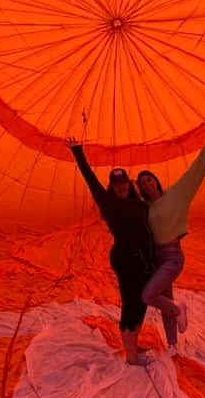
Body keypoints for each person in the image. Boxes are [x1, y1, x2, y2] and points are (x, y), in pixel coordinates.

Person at [66, 137, 154, 366]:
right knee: (130, 302)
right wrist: (77, 151)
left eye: (124, 183)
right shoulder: (108, 202)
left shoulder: (138, 202)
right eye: (117, 185)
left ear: (128, 183)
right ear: (112, 187)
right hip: (126, 260)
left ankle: (134, 342)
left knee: (143, 300)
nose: (121, 187)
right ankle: (131, 355)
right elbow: (89, 177)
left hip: (145, 260)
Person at [137, 137, 205, 355]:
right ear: (141, 189)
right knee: (165, 299)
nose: (147, 184)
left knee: (148, 296)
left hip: (172, 257)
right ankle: (172, 345)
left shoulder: (175, 194)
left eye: (149, 180)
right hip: (156, 258)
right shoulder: (144, 207)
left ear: (156, 180)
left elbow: (194, 174)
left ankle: (178, 310)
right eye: (142, 183)